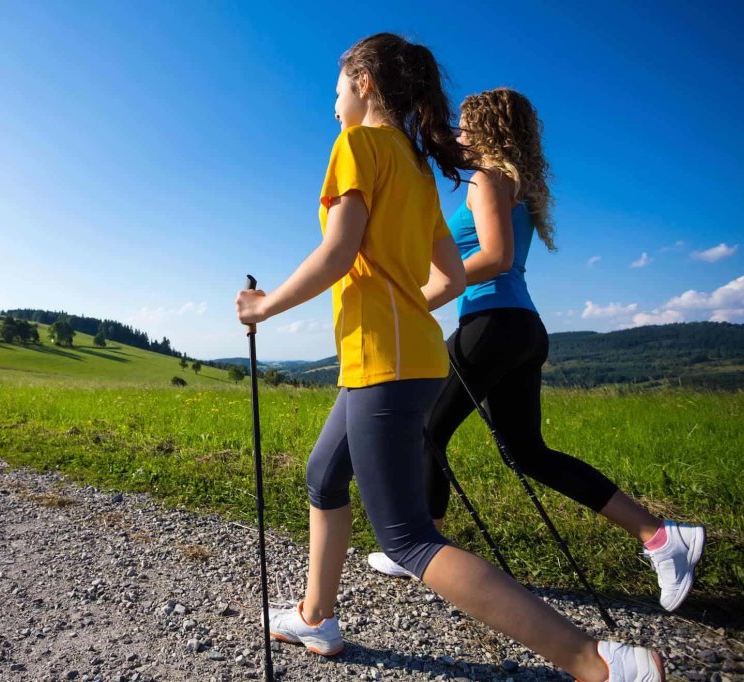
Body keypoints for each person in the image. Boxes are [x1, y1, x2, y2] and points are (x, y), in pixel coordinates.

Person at [235, 34, 664, 681]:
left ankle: (597, 662)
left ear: (365, 83)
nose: (334, 101)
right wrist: (401, 301)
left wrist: (264, 306)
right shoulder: (415, 168)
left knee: (408, 538)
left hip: (384, 360)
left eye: (337, 87)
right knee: (324, 474)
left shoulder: (358, 146)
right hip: (404, 356)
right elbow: (452, 276)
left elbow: (340, 251)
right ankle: (316, 617)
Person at [366, 88, 704, 614]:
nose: (458, 134)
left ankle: (421, 545)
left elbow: (496, 257)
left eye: (465, 125)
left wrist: (420, 297)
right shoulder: (510, 182)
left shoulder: (486, 179)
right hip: (520, 328)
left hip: (492, 323)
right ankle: (660, 536)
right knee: (527, 452)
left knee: (426, 426)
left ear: (488, 129)